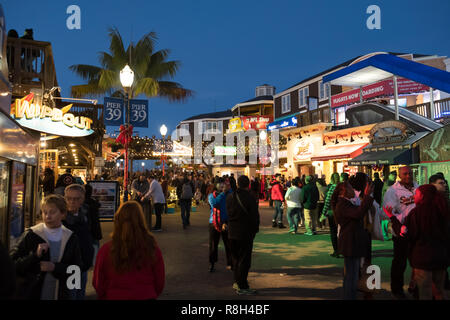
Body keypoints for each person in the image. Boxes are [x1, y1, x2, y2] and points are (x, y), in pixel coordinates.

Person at [10, 194, 83, 300]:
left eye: (52, 212)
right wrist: (35, 256)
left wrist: (55, 267)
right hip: (33, 292)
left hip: (61, 293)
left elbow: (77, 269)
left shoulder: (70, 237)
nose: (48, 216)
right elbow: (13, 264)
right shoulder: (32, 234)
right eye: (45, 212)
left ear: (63, 214)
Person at [384, 185, 450, 300]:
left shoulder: (417, 213)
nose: (414, 197)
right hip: (441, 258)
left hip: (423, 259)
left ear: (423, 196)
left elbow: (407, 234)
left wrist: (392, 218)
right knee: (439, 291)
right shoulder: (442, 210)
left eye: (417, 194)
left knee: (425, 292)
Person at [93, 201, 165, 300]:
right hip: (145, 295)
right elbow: (159, 281)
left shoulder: (106, 250)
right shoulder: (152, 248)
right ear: (141, 221)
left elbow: (98, 282)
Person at [332, 180, 374, 300]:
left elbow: (360, 211)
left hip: (353, 241)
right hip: (350, 242)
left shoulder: (346, 203)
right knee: (351, 276)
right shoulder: (343, 204)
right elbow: (358, 213)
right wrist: (366, 196)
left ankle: (350, 296)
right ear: (343, 192)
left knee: (352, 274)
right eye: (351, 188)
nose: (354, 191)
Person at [383, 166, 418, 300]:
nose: (408, 176)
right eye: (405, 174)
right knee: (400, 262)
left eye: (410, 173)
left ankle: (416, 288)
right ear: (399, 175)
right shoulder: (393, 191)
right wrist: (402, 221)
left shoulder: (417, 187)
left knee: (417, 262)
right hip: (401, 231)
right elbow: (388, 211)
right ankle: (397, 290)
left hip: (416, 230)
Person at [226, 175, 260, 295]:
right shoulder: (250, 198)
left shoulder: (230, 197)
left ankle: (237, 282)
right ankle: (242, 285)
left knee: (235, 259)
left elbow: (227, 213)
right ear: (248, 185)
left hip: (231, 232)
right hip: (245, 233)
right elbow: (255, 216)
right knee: (244, 260)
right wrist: (255, 229)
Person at [63, 184, 94, 300]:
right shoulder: (61, 217)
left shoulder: (85, 214)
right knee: (72, 294)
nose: (72, 202)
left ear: (82, 199)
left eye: (76, 199)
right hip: (71, 267)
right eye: (69, 198)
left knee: (80, 292)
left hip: (84, 263)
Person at [208, 180, 233, 272]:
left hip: (226, 222)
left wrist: (228, 191)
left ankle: (230, 263)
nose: (223, 187)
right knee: (214, 244)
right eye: (221, 185)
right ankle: (212, 263)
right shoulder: (211, 196)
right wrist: (223, 194)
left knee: (228, 244)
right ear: (216, 186)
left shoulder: (229, 194)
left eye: (224, 185)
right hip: (214, 222)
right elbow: (214, 204)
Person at [320, 173, 340, 257]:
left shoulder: (332, 187)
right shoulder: (342, 187)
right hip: (342, 212)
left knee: (333, 231)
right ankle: (343, 249)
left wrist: (323, 213)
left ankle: (336, 251)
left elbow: (328, 201)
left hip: (333, 212)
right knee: (341, 231)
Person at [84, 184, 102, 265]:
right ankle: (95, 261)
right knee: (95, 245)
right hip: (95, 228)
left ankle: (89, 260)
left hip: (87, 229)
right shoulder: (94, 202)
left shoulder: (83, 204)